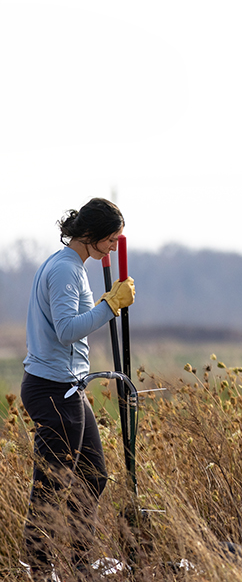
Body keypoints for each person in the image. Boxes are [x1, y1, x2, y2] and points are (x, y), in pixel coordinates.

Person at [22, 198, 136, 576]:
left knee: (93, 476)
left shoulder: (71, 266)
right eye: (111, 239)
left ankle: (79, 565)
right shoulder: (65, 271)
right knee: (52, 484)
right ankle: (38, 568)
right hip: (52, 388)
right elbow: (67, 329)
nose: (115, 246)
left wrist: (108, 302)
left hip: (69, 387)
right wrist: (110, 306)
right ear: (89, 235)